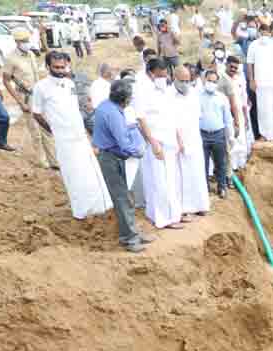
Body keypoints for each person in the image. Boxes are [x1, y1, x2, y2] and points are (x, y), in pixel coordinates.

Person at [32, 51, 112, 220]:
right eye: (56, 67)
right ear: (48, 66)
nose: (60, 70)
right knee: (73, 175)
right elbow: (36, 113)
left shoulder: (69, 84)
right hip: (64, 140)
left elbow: (75, 109)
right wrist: (52, 130)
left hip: (80, 137)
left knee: (90, 172)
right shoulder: (41, 87)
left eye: (63, 67)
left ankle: (100, 207)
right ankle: (82, 212)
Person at [93, 79, 154, 253]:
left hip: (112, 156)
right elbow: (124, 143)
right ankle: (130, 239)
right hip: (111, 158)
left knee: (125, 197)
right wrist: (139, 150)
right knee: (122, 199)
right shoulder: (113, 114)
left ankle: (132, 233)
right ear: (126, 99)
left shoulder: (105, 106)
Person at [135, 58, 184, 229]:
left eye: (166, 74)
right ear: (151, 73)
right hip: (157, 143)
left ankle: (174, 214)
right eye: (161, 75)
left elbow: (171, 115)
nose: (165, 78)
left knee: (171, 180)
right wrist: (153, 143)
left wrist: (178, 139)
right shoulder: (142, 89)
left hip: (169, 140)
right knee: (160, 181)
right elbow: (141, 119)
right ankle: (164, 218)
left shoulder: (165, 90)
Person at [2, 28, 58, 170]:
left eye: (27, 40)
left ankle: (54, 160)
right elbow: (6, 81)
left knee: (46, 128)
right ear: (17, 42)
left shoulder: (31, 54)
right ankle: (41, 160)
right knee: (35, 131)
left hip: (38, 94)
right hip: (25, 97)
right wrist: (20, 103)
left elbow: (37, 76)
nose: (26, 43)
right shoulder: (11, 59)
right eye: (23, 41)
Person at [171, 66, 210, 217]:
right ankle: (184, 208)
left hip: (194, 138)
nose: (186, 84)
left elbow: (197, 116)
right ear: (175, 78)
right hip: (178, 141)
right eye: (182, 81)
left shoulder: (193, 93)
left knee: (197, 172)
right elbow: (170, 121)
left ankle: (200, 205)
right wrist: (178, 140)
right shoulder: (169, 95)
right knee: (182, 175)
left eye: (188, 81)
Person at [247, 24, 273, 142]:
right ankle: (264, 134)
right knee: (263, 109)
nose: (264, 34)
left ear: (270, 33)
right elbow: (249, 64)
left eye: (266, 32)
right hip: (261, 83)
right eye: (262, 32)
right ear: (259, 32)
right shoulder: (253, 45)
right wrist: (251, 80)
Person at [200, 70, 234, 199]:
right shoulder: (198, 97)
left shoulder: (222, 98)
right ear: (204, 80)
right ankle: (205, 188)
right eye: (209, 81)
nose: (211, 83)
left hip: (218, 134)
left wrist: (230, 136)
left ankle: (222, 187)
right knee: (203, 163)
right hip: (202, 134)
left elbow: (228, 119)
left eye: (214, 81)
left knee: (221, 163)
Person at [226, 56, 251, 171]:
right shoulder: (222, 80)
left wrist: (245, 117)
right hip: (228, 114)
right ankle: (233, 168)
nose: (233, 69)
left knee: (241, 139)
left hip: (240, 113)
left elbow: (244, 99)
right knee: (231, 140)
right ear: (226, 65)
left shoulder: (239, 79)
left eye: (235, 68)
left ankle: (242, 165)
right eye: (231, 66)